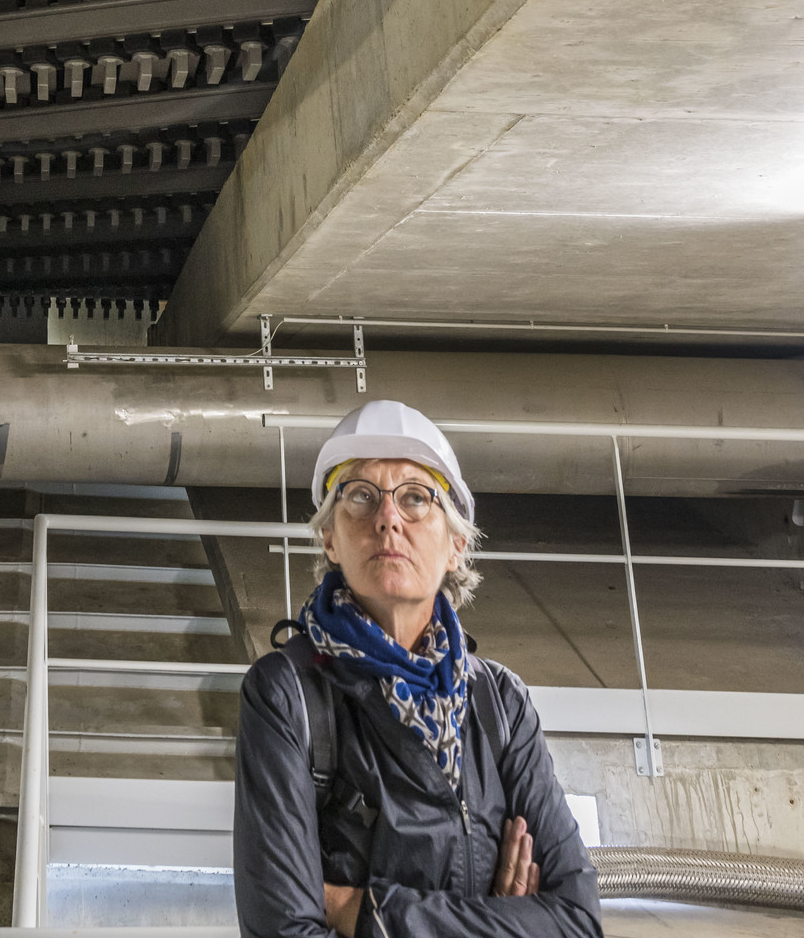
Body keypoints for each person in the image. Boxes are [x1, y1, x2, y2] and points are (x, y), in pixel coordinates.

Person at [235, 399, 603, 938]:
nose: (387, 518)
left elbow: (575, 921)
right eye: (360, 496)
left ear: (456, 545)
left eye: (415, 498)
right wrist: (498, 923)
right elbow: (281, 930)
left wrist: (369, 914)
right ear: (329, 539)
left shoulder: (499, 702)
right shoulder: (287, 696)